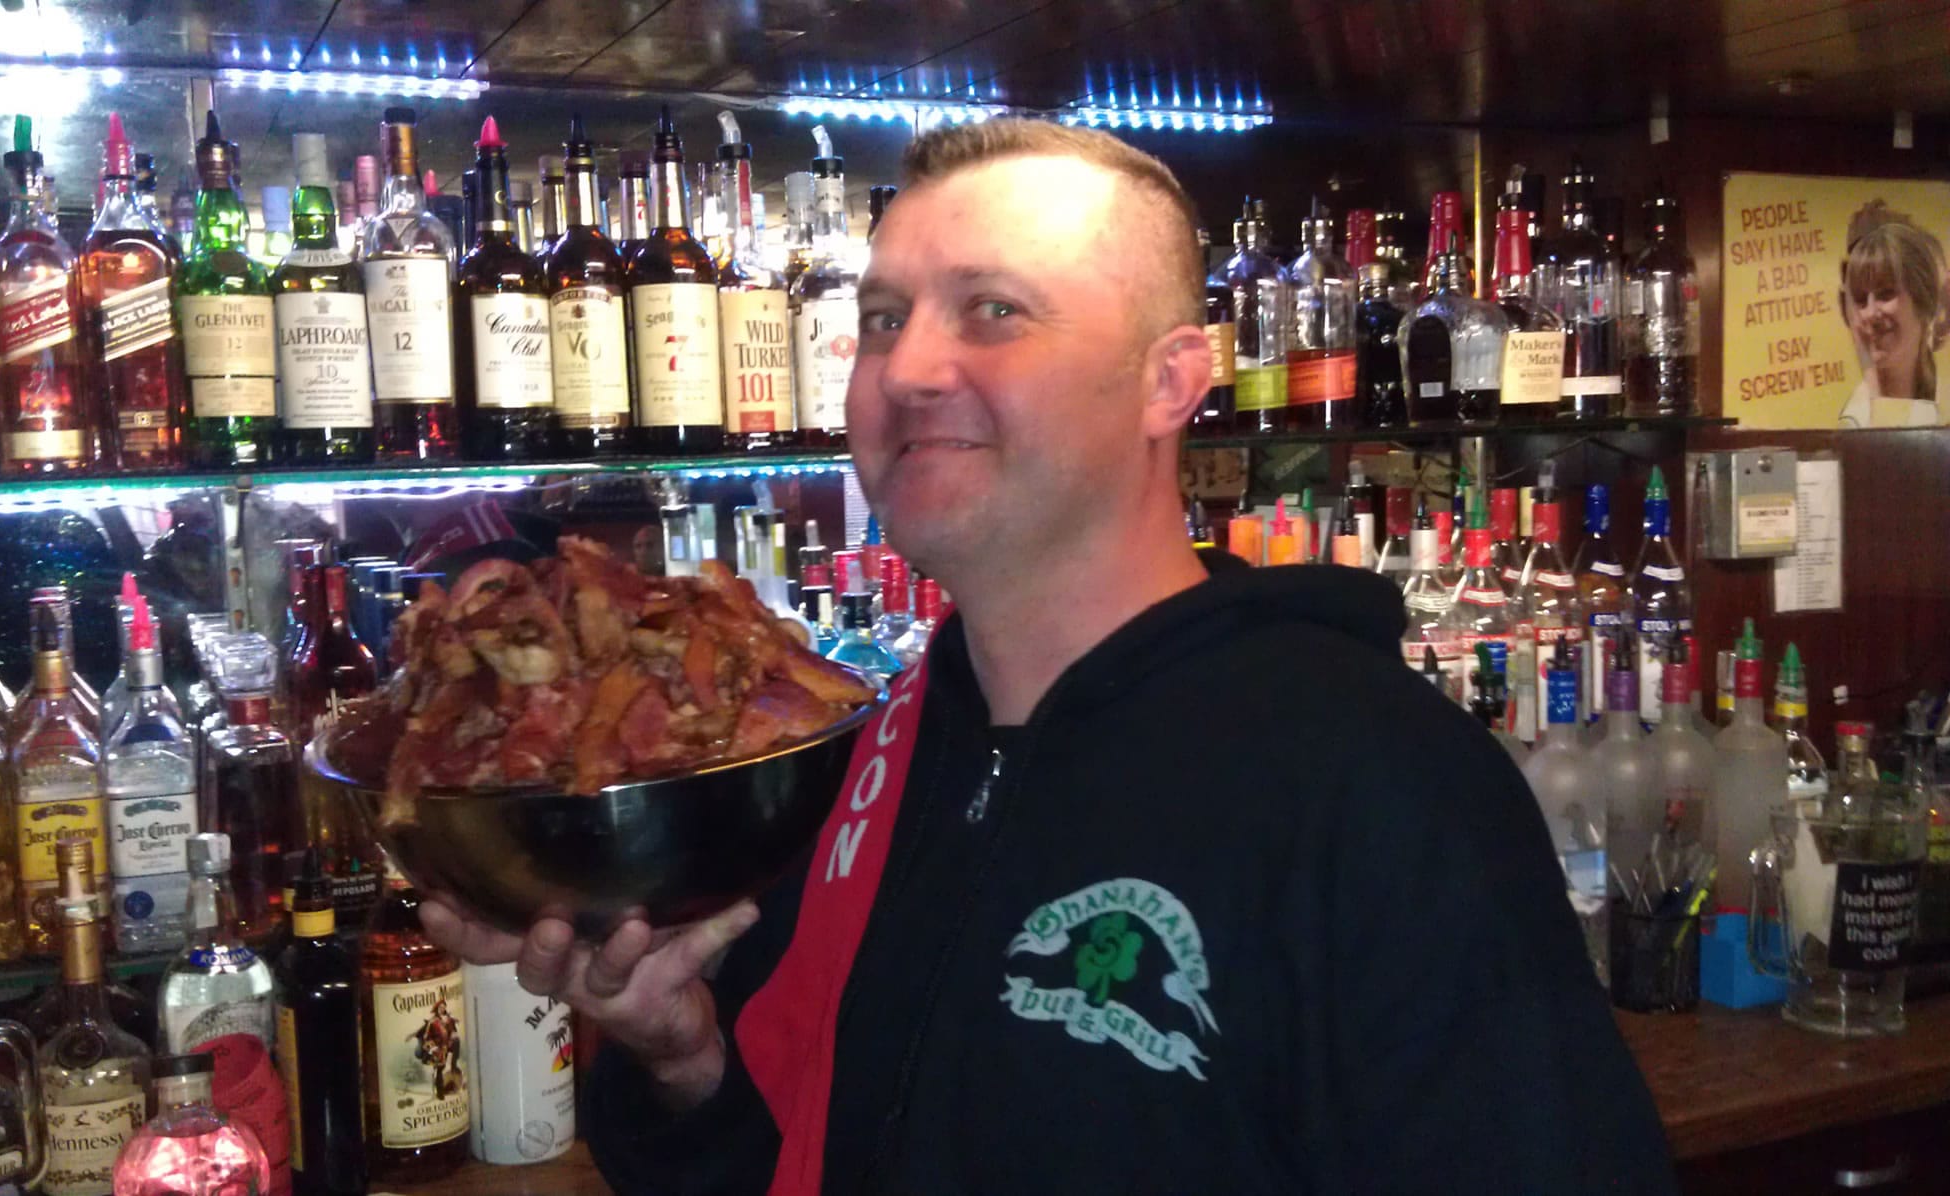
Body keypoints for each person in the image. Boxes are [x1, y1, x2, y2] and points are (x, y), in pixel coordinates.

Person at [420, 120, 1676, 1193]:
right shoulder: (856, 759)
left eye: (994, 311)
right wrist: (682, 1057)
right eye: (879, 319)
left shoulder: (1382, 782)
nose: (906, 367)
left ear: (1168, 380)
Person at [1837, 201, 1949, 428]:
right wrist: (1871, 378)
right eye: (1860, 300)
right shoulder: (1855, 418)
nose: (1870, 313)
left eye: (1885, 294)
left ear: (1922, 300)